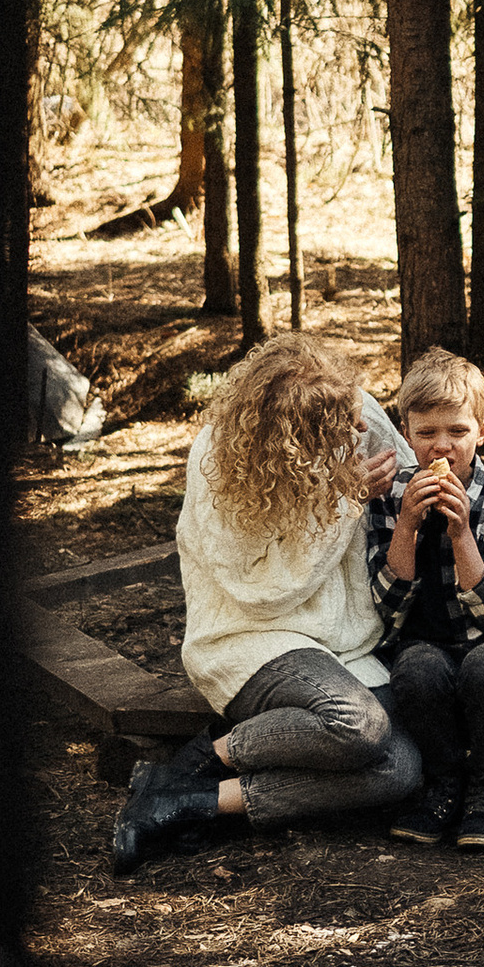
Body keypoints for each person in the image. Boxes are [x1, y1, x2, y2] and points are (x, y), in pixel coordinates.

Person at [109, 333, 417, 873]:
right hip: (249, 635)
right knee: (359, 725)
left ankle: (183, 797)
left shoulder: (349, 407)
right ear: (287, 436)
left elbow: (418, 471)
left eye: (353, 413)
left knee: (401, 770)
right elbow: (262, 591)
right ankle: (202, 760)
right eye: (336, 429)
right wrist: (345, 501)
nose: (357, 430)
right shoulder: (219, 459)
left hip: (343, 642)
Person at [367, 348, 484, 851]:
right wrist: (407, 524)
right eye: (426, 433)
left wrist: (462, 532)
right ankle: (444, 781)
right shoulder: (389, 498)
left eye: (457, 431)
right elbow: (387, 604)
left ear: (481, 432)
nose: (441, 446)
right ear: (406, 433)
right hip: (426, 634)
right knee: (416, 670)